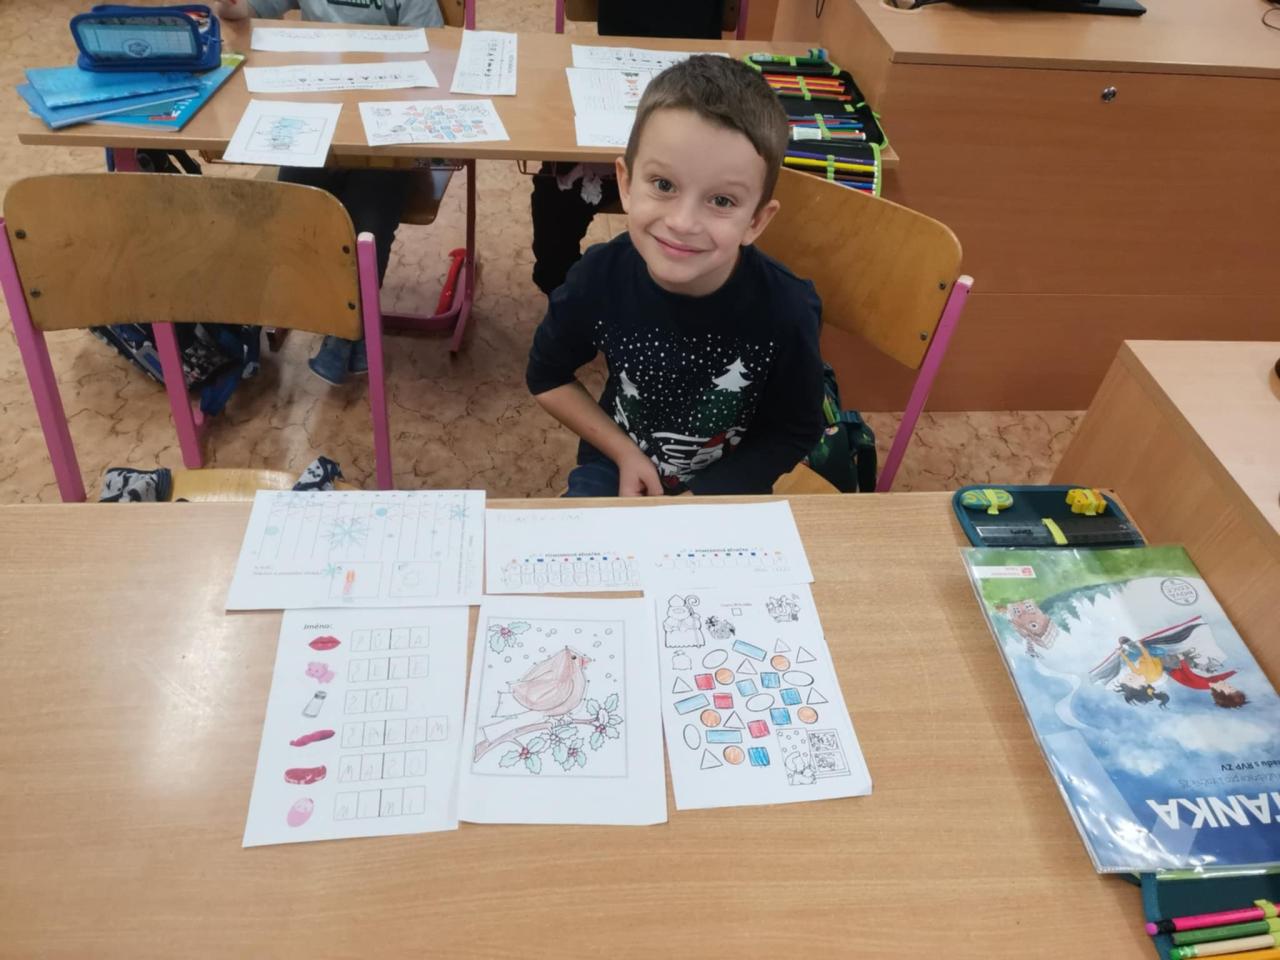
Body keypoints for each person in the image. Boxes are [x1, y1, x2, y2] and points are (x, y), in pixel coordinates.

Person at [525, 55, 825, 497]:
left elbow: (794, 430)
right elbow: (547, 376)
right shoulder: (599, 276)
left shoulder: (788, 308)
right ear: (626, 184)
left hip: (731, 485)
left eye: (722, 201)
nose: (683, 223)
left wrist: (700, 500)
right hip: (618, 464)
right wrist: (624, 453)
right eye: (664, 185)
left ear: (757, 221)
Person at [210, 0, 444, 385]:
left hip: (381, 132)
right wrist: (232, 7)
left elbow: (432, 46)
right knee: (293, 210)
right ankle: (323, 311)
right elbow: (252, 8)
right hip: (315, 118)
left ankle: (351, 325)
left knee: (368, 225)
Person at [528, 1, 724, 297]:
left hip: (693, 90)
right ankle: (572, 296)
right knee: (553, 195)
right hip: (617, 78)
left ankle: (671, 297)